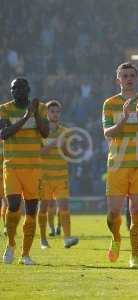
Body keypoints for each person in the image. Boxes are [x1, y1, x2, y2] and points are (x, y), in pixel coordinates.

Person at [102, 62, 138, 268]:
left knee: (136, 212)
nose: (128, 79)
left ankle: (134, 257)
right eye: (124, 76)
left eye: (132, 75)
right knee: (113, 214)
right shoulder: (109, 103)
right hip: (117, 165)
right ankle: (116, 238)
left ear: (137, 78)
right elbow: (108, 133)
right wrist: (123, 119)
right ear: (118, 80)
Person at [0, 78, 49, 265]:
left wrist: (34, 113)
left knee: (31, 211)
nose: (17, 91)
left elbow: (44, 132)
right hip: (12, 165)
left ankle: (25, 254)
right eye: (13, 88)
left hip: (33, 167)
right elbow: (4, 134)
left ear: (28, 89)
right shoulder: (4, 109)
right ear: (10, 91)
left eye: (20, 88)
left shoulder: (41, 108)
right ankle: (10, 244)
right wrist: (26, 117)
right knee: (13, 205)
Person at [38, 100, 79, 249]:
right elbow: (38, 153)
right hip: (44, 176)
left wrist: (65, 148)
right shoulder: (40, 131)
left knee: (64, 207)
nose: (55, 114)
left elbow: (70, 155)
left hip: (61, 175)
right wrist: (53, 144)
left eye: (57, 112)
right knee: (43, 208)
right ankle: (43, 240)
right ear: (46, 113)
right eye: (52, 111)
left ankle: (67, 238)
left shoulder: (65, 132)